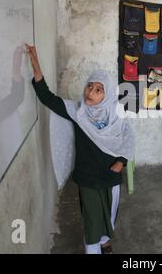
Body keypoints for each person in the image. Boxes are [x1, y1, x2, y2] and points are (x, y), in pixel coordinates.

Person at [26, 44, 134, 254]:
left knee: (109, 212)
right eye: (89, 86)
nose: (90, 92)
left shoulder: (117, 116)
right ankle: (93, 248)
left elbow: (128, 140)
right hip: (88, 176)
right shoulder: (78, 112)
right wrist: (37, 68)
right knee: (92, 218)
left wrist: (121, 161)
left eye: (98, 89)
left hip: (111, 175)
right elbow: (49, 99)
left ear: (108, 94)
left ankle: (104, 241)